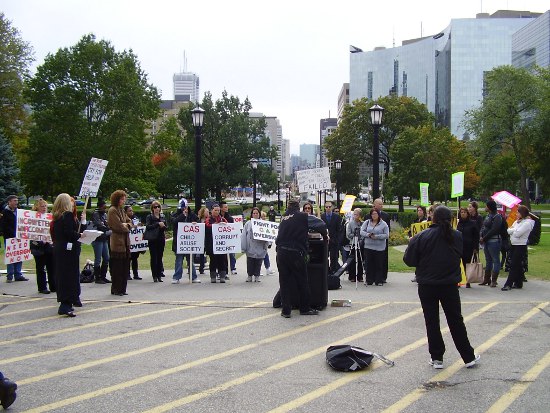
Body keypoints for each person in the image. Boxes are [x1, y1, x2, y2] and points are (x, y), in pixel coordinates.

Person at [403, 205, 480, 370]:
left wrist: (418, 254)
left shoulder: (422, 236)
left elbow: (409, 260)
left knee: (431, 321)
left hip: (427, 284)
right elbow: (459, 253)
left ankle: (437, 357)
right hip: (449, 284)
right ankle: (468, 356)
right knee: (456, 320)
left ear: (433, 218)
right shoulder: (457, 236)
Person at [276, 199, 328, 318]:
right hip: (295, 252)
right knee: (302, 281)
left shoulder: (283, 217)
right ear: (298, 207)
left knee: (284, 282)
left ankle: (286, 310)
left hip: (281, 252)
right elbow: (320, 224)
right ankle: (304, 308)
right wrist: (325, 236)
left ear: (288, 207)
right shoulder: (302, 216)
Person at [50, 194, 87, 317]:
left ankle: (67, 301)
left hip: (59, 248)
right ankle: (66, 303)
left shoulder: (57, 216)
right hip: (68, 249)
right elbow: (70, 233)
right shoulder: (68, 215)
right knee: (70, 275)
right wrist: (80, 235)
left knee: (62, 275)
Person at [501, 205, 535, 291]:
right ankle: (519, 283)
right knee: (517, 264)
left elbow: (517, 234)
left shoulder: (527, 223)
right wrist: (514, 230)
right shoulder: (517, 222)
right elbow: (508, 230)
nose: (516, 214)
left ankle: (508, 284)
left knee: (513, 265)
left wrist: (513, 230)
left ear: (522, 213)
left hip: (520, 246)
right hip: (514, 244)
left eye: (518, 212)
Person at [107, 190, 133, 296]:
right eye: (122, 199)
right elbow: (117, 226)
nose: (123, 201)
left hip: (125, 242)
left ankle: (123, 288)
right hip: (117, 242)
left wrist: (127, 225)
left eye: (124, 199)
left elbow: (129, 222)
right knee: (117, 268)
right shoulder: (112, 210)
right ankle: (116, 289)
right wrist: (126, 226)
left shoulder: (121, 210)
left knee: (124, 267)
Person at [29, 198, 56, 294]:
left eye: (45, 206)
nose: (44, 208)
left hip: (49, 245)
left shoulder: (49, 217)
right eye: (42, 206)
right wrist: (40, 241)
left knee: (51, 266)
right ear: (37, 207)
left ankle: (53, 286)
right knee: (40, 268)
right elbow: (30, 233)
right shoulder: (32, 218)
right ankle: (42, 287)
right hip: (38, 246)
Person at [171, 200, 201, 284]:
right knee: (179, 260)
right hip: (179, 243)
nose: (184, 209)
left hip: (190, 242)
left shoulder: (192, 215)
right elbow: (174, 222)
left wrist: (196, 223)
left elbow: (198, 222)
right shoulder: (176, 215)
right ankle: (176, 277)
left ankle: (193, 277)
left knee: (190, 260)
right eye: (182, 208)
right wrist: (182, 215)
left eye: (185, 207)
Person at [0, 195, 28, 282]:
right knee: (11, 257)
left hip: (19, 237)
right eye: (14, 201)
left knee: (19, 255)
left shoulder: (19, 212)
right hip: (9, 238)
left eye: (17, 200)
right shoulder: (5, 212)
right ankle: (10, 276)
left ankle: (18, 275)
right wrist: (14, 234)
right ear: (9, 202)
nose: (16, 202)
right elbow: (4, 226)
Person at [360, 208, 389, 286]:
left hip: (379, 247)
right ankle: (369, 280)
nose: (374, 215)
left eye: (376, 214)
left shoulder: (383, 224)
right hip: (368, 246)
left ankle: (378, 280)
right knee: (368, 264)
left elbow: (386, 235)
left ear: (378, 215)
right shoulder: (367, 222)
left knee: (378, 264)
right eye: (372, 214)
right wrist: (368, 235)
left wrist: (377, 237)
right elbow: (362, 231)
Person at [241, 207, 269, 282]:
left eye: (257, 213)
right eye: (254, 213)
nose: (255, 214)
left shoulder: (263, 223)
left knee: (258, 262)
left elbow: (268, 235)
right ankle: (249, 275)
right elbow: (244, 235)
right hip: (250, 246)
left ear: (259, 214)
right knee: (250, 262)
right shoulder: (248, 224)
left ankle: (257, 275)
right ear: (251, 214)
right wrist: (243, 247)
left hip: (260, 246)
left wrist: (267, 244)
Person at [479, 200, 502, 287]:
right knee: (488, 260)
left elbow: (494, 230)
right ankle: (486, 279)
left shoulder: (497, 217)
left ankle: (494, 280)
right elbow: (483, 227)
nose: (485, 207)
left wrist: (484, 238)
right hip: (486, 241)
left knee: (495, 260)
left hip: (494, 241)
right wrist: (481, 236)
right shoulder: (488, 216)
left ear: (489, 207)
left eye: (486, 206)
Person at [204, 204, 229, 283]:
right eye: (215, 210)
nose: (217, 212)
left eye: (218, 210)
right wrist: (215, 226)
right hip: (211, 244)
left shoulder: (223, 219)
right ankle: (213, 276)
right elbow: (207, 226)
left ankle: (222, 276)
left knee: (222, 260)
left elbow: (229, 227)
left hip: (221, 244)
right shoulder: (208, 220)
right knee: (213, 260)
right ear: (212, 211)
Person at [457, 207, 480, 288]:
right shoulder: (458, 223)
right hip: (459, 246)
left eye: (464, 212)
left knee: (467, 263)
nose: (463, 213)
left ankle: (468, 280)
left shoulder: (472, 223)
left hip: (469, 246)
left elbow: (476, 236)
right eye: (461, 212)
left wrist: (475, 247)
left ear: (467, 213)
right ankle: (459, 281)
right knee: (459, 264)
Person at [91, 199, 112, 284]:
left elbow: (107, 223)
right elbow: (99, 225)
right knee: (98, 258)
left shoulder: (104, 215)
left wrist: (107, 225)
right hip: (97, 238)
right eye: (104, 207)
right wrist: (107, 227)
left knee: (106, 258)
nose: (105, 209)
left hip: (104, 238)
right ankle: (98, 277)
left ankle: (103, 276)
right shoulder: (95, 214)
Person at [145, 200, 167, 282]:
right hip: (153, 239)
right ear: (152, 208)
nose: (157, 209)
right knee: (154, 257)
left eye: (158, 207)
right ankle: (154, 275)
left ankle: (159, 274)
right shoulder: (149, 217)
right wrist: (157, 224)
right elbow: (148, 227)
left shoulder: (163, 216)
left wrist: (163, 226)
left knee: (160, 257)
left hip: (161, 239)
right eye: (155, 207)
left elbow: (166, 227)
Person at [321, 200, 343, 273]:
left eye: (329, 207)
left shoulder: (337, 217)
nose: (328, 208)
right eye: (326, 207)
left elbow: (339, 229)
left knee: (334, 257)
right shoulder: (322, 216)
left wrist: (337, 239)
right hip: (325, 240)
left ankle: (334, 270)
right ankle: (326, 270)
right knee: (325, 256)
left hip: (334, 240)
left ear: (332, 207)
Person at [373, 198, 390, 282]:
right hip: (372, 242)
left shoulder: (386, 216)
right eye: (379, 204)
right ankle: (372, 276)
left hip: (382, 241)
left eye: (382, 204)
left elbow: (387, 230)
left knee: (383, 259)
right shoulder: (369, 215)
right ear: (375, 205)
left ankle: (383, 277)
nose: (381, 205)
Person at [124, 205, 143, 280]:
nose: (132, 212)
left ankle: (136, 274)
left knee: (135, 258)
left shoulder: (135, 218)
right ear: (125, 212)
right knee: (128, 259)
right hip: (128, 242)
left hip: (135, 243)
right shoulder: (124, 219)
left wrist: (140, 226)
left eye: (132, 210)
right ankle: (127, 274)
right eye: (129, 211)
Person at [345, 208, 364, 282]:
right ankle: (352, 276)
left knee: (360, 260)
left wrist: (360, 237)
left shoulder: (362, 223)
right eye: (354, 214)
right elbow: (348, 234)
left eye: (357, 214)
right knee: (352, 260)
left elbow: (363, 233)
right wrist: (355, 235)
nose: (355, 216)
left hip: (360, 244)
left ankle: (360, 276)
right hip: (353, 243)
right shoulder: (350, 223)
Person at [220, 201, 237, 277]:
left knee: (231, 254)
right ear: (221, 208)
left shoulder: (229, 218)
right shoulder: (218, 217)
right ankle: (223, 271)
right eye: (225, 207)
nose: (227, 208)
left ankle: (232, 268)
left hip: (228, 239)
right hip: (220, 240)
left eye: (227, 207)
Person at [260, 210, 275, 275]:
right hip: (259, 243)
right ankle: (263, 269)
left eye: (265, 216)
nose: (264, 217)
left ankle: (267, 268)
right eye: (263, 216)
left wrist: (270, 243)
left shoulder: (266, 224)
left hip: (265, 243)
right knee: (260, 257)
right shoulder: (258, 224)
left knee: (265, 255)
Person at [196, 206, 210, 275]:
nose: (208, 213)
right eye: (206, 211)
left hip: (207, 239)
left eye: (208, 211)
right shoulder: (198, 220)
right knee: (201, 254)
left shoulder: (210, 220)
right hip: (200, 239)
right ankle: (201, 268)